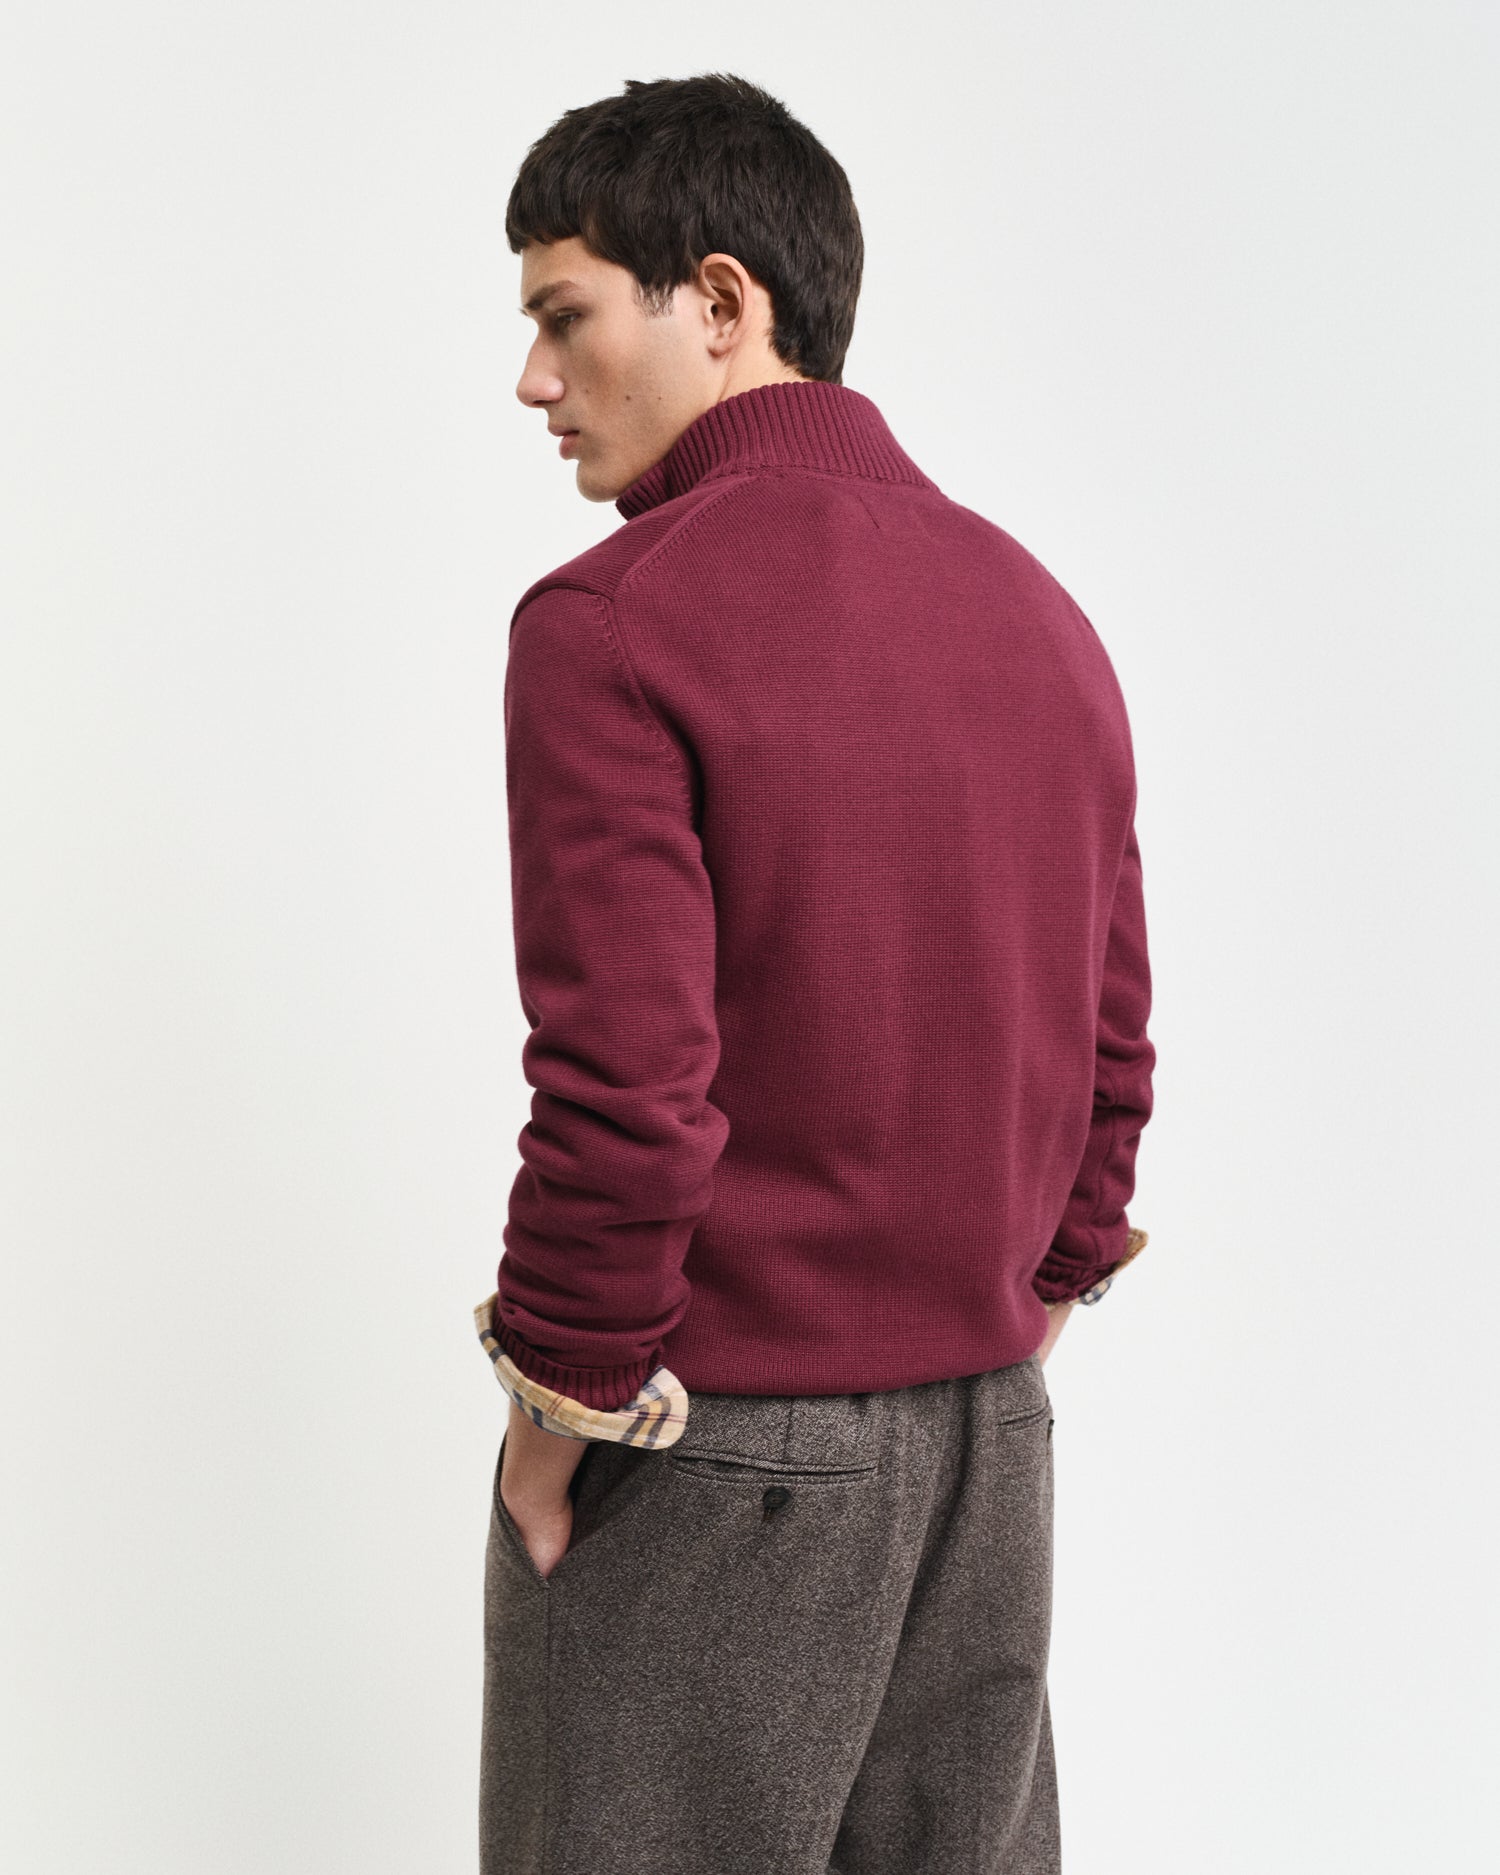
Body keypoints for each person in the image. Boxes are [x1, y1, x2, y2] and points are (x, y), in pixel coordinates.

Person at [474, 72, 1155, 1875]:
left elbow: (629, 1095)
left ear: (719, 300)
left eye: (564, 316)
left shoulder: (613, 623)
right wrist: (1014, 1316)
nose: (533, 380)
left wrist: (555, 1416)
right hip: (991, 1450)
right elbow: (1112, 1054)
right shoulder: (1040, 613)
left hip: (709, 1453)